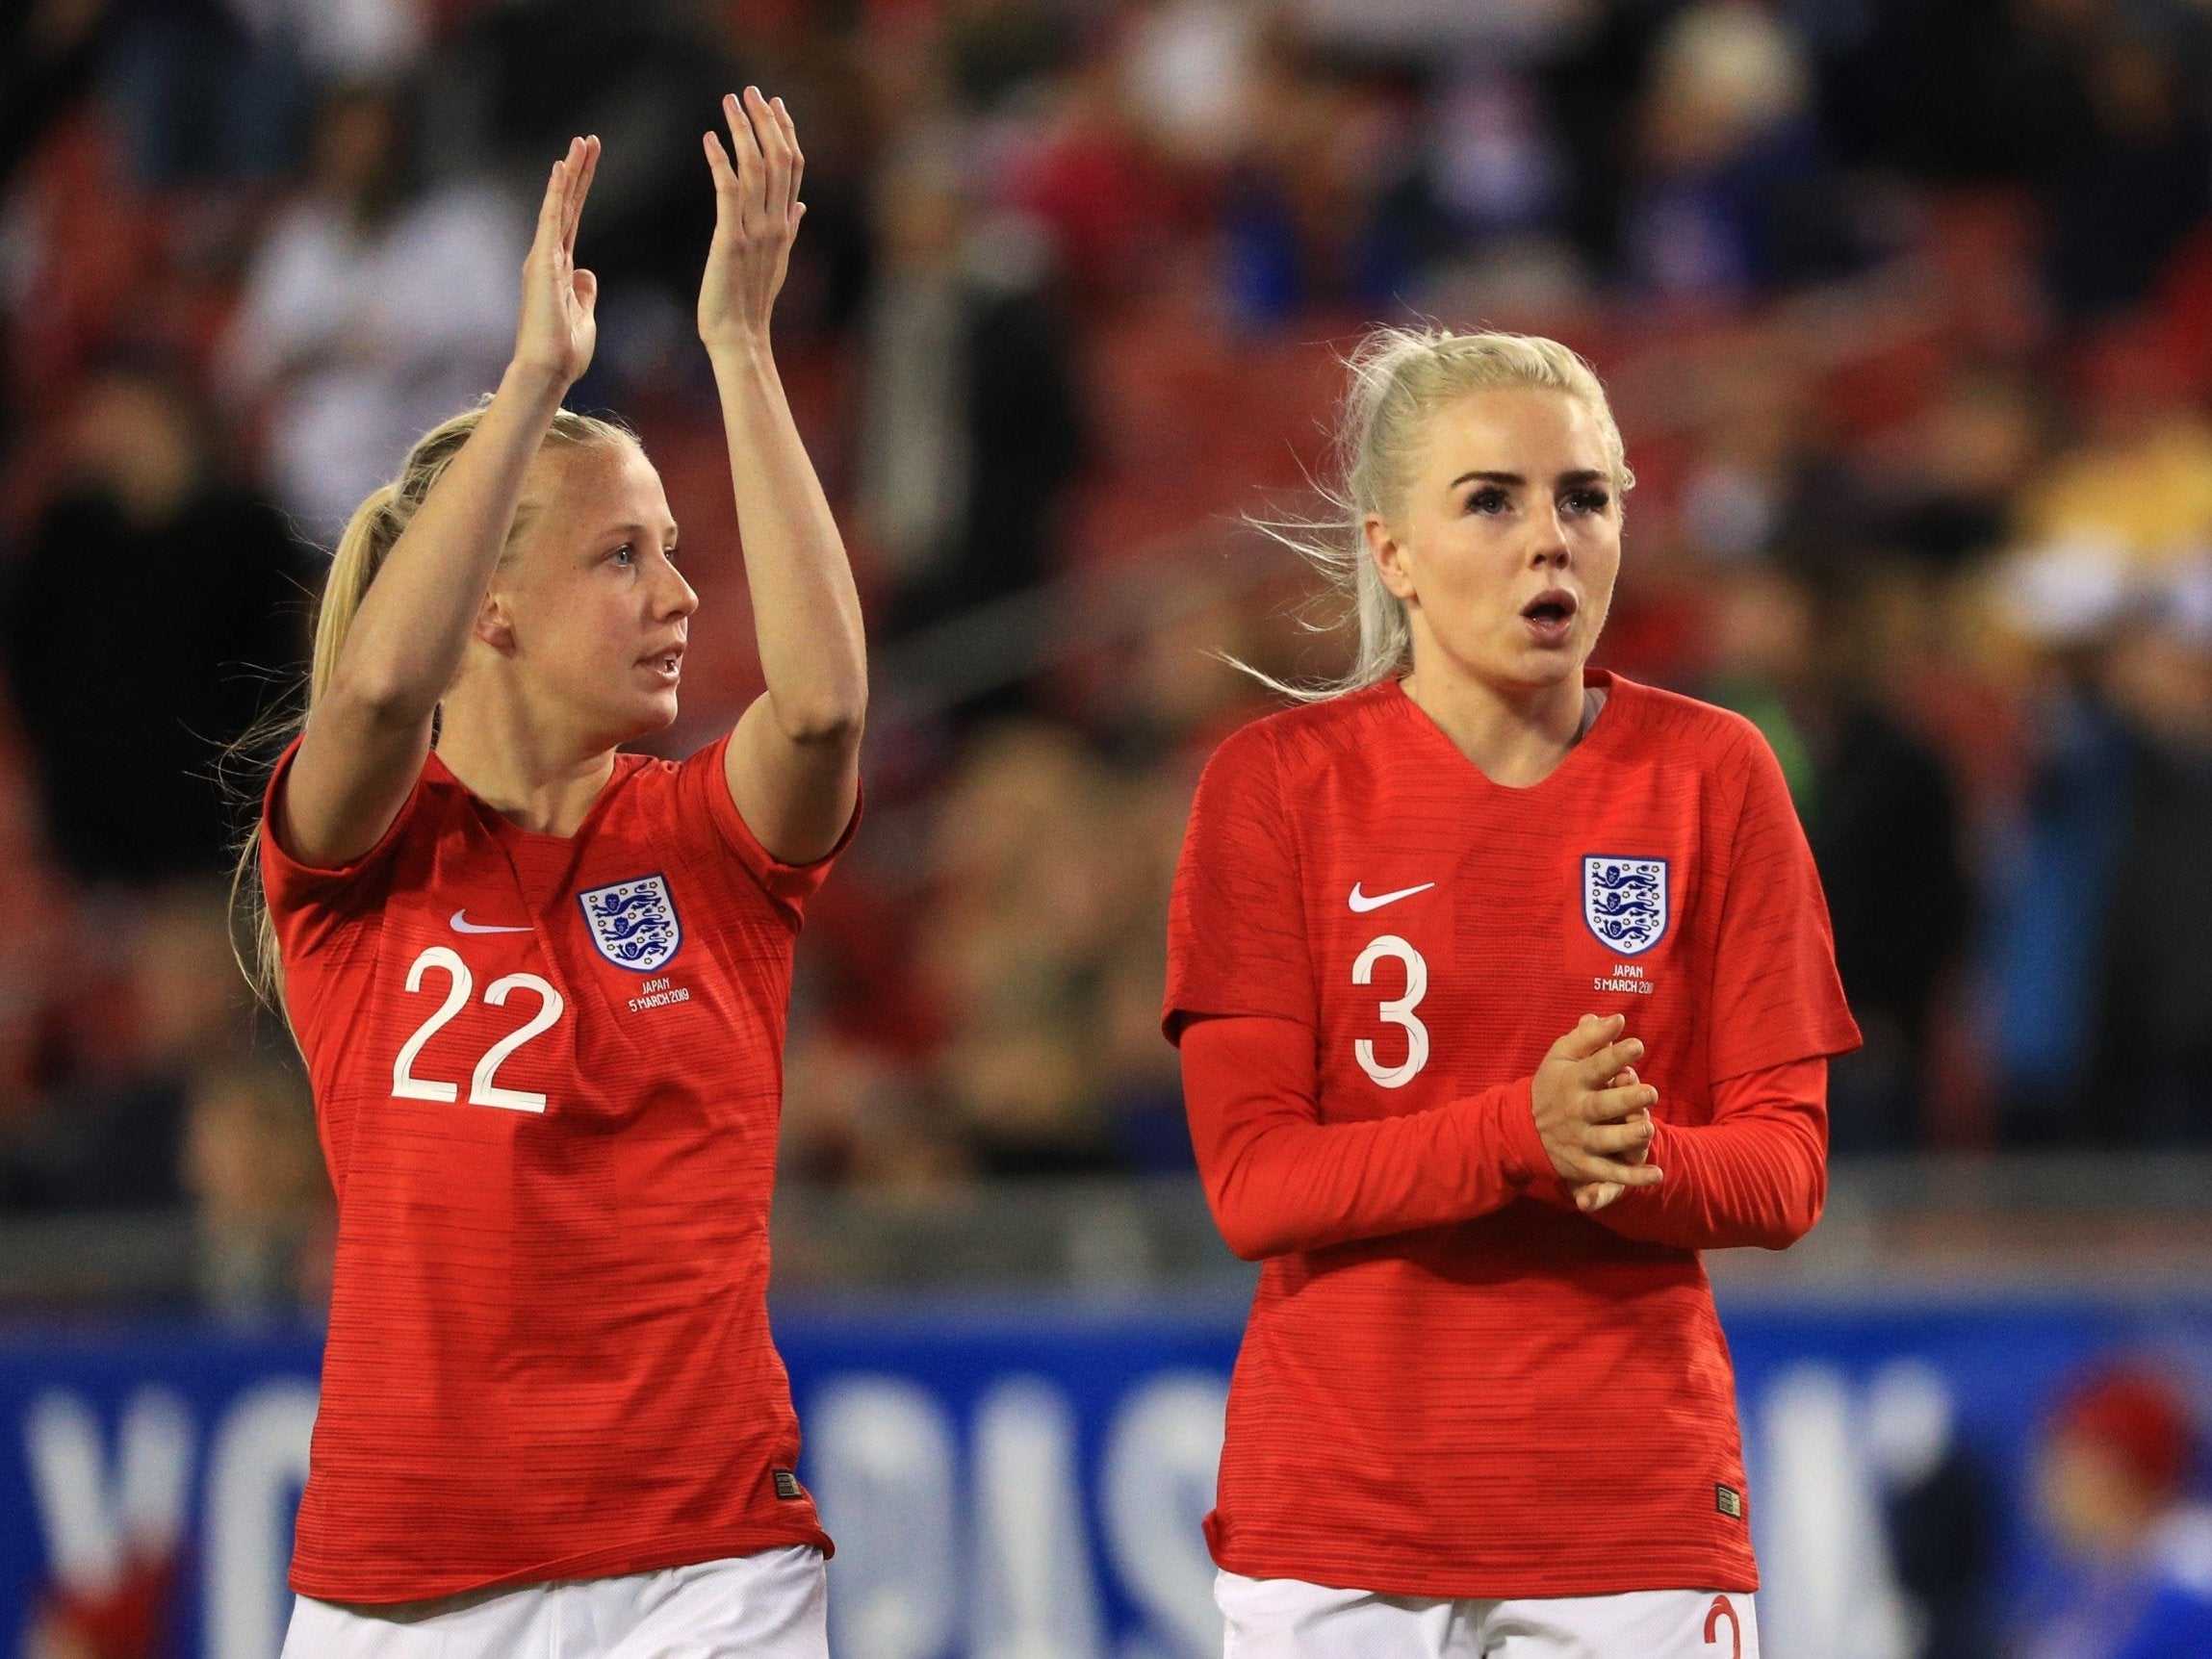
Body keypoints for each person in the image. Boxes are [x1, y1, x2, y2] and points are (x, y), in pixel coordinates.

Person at [237, 90, 864, 1658]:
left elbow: (826, 705)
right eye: (621, 555)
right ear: (489, 608)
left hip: (704, 1556)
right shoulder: (357, 859)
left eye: (670, 547)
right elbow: (379, 698)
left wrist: (740, 347)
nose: (677, 589)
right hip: (405, 1570)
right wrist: (526, 385)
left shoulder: (712, 846)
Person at [1163, 328, 1861, 1657]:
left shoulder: (1715, 774)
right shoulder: (1273, 788)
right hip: (1340, 1528)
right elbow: (1253, 1183)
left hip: (1634, 1521)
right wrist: (1516, 1137)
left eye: (1583, 497)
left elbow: (1786, 1170)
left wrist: (1627, 1163)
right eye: (1490, 499)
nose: (1551, 538)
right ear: (1391, 551)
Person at [2019, 1361, 2212, 1659]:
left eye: (2071, 1463)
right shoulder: (2108, 1578)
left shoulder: (2191, 1578)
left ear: (2118, 1471)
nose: (2050, 1487)